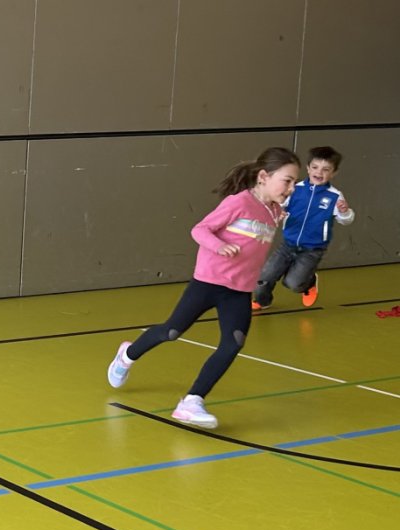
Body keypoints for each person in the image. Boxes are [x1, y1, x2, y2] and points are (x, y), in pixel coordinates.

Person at [107, 147, 301, 429]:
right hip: (209, 282)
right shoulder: (239, 202)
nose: (292, 188)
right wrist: (219, 246)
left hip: (239, 290)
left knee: (233, 343)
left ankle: (192, 401)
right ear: (263, 177)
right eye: (287, 181)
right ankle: (127, 355)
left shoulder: (274, 211)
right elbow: (199, 230)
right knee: (172, 331)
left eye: (295, 182)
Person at [253, 146, 355, 309]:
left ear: (334, 173)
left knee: (293, 283)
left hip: (312, 249)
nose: (319, 172)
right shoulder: (294, 189)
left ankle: (309, 282)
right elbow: (278, 205)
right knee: (265, 275)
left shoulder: (335, 196)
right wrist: (279, 212)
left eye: (326, 169)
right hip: (288, 244)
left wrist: (345, 212)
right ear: (308, 168)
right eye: (315, 167)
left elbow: (346, 220)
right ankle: (262, 301)